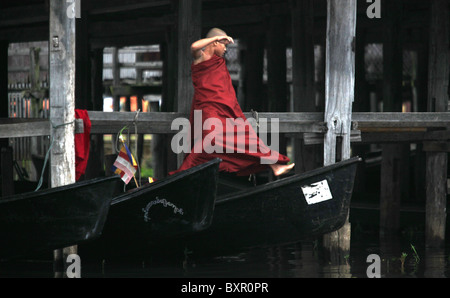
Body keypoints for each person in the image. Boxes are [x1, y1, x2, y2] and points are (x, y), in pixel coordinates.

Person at [169, 28, 295, 177]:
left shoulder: (219, 62)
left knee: (246, 139)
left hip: (227, 109)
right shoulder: (201, 58)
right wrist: (217, 38)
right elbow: (194, 46)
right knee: (211, 142)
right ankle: (183, 174)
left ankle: (275, 166)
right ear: (215, 42)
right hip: (209, 110)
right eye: (223, 45)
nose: (225, 49)